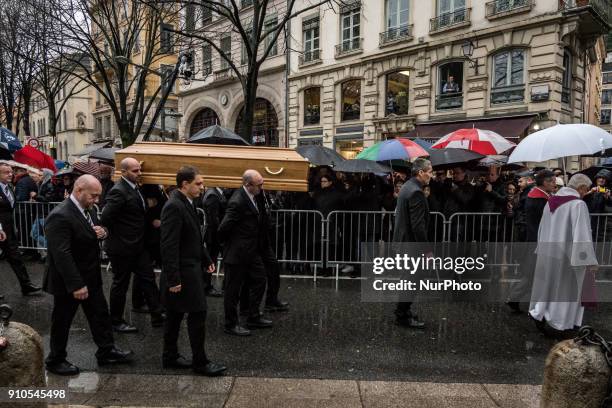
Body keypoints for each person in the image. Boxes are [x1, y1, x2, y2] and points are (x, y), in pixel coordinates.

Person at [43, 175, 133, 376]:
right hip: (70, 281)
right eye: (93, 196)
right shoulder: (60, 215)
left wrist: (103, 232)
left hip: (90, 276)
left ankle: (106, 350)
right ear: (79, 190)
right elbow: (61, 254)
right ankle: (55, 359)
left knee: (100, 314)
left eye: (98, 196)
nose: (97, 200)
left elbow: (95, 230)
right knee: (63, 320)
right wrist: (76, 285)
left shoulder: (87, 209)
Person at [160, 166, 226, 376]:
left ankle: (170, 357)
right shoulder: (174, 206)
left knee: (175, 315)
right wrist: (173, 278)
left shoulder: (187, 202)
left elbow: (195, 236)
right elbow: (169, 245)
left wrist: (207, 258)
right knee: (197, 314)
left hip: (189, 268)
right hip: (183, 272)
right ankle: (200, 362)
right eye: (198, 183)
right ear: (184, 184)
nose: (202, 187)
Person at [99, 158, 164, 332]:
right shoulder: (118, 191)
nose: (139, 173)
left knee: (148, 279)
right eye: (135, 171)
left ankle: (157, 315)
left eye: (139, 170)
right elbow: (105, 217)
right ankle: (116, 320)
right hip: (122, 247)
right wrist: (122, 234)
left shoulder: (135, 189)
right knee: (121, 284)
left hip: (138, 246)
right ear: (124, 172)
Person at [529, 174, 598, 334]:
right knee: (566, 291)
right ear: (581, 188)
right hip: (569, 257)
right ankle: (560, 323)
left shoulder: (551, 202)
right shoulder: (577, 205)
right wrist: (588, 259)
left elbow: (542, 228)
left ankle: (540, 313)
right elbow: (582, 235)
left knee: (549, 287)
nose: (585, 193)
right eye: (585, 189)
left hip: (549, 252)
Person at [219, 169, 273, 336]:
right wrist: (232, 245)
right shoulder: (237, 201)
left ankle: (253, 315)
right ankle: (230, 324)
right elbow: (223, 228)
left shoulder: (253, 196)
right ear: (248, 185)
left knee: (259, 279)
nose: (262, 187)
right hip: (237, 254)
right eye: (259, 185)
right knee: (232, 291)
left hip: (251, 252)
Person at [506, 169, 556, 313]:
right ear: (545, 182)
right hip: (537, 241)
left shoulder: (537, 196)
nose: (554, 183)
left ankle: (515, 299)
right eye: (552, 181)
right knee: (533, 274)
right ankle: (518, 300)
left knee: (532, 274)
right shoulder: (540, 200)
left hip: (534, 240)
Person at [392, 158, 433, 329]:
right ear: (420, 172)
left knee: (410, 279)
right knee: (412, 281)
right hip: (411, 245)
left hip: (404, 243)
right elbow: (418, 226)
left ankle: (404, 311)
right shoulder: (415, 191)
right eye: (429, 171)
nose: (431, 175)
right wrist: (426, 251)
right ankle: (402, 315)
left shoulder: (408, 186)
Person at [0, 163, 41, 296]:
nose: (10, 174)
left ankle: (26, 285)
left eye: (11, 172)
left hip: (9, 230)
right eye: (6, 172)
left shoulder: (10, 187)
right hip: (0, 229)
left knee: (15, 257)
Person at [201, 186, 227, 297]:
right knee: (210, 261)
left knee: (211, 260)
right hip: (214, 235)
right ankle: (205, 286)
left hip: (214, 234)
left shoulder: (215, 193)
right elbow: (213, 218)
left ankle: (206, 285)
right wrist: (221, 233)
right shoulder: (213, 195)